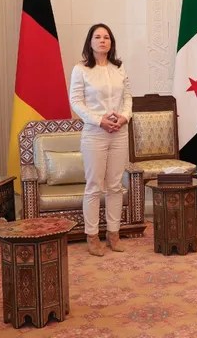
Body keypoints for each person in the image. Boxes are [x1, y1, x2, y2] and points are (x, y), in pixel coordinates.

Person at [69, 23, 132, 257]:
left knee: (115, 185)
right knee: (94, 186)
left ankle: (113, 234)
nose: (102, 40)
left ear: (111, 42)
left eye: (106, 37)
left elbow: (128, 98)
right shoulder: (81, 69)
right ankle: (92, 236)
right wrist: (99, 120)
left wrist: (124, 117)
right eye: (97, 37)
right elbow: (76, 102)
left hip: (119, 132)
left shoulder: (119, 67)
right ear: (90, 42)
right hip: (95, 133)